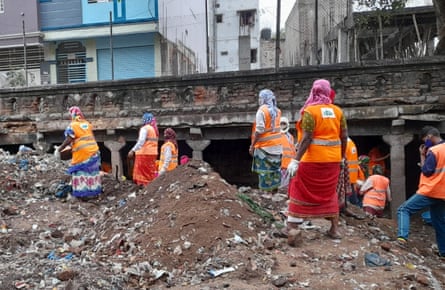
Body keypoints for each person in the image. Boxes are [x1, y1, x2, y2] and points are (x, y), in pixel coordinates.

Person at [286, 79, 348, 239]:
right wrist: (341, 157)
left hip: (311, 160)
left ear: (313, 92)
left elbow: (306, 138)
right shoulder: (338, 112)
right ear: (328, 92)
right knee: (329, 193)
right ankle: (334, 229)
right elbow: (344, 136)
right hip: (333, 161)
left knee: (298, 189)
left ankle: (292, 226)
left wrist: (296, 160)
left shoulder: (310, 112)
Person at [397, 126, 445, 259]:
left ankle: (402, 238)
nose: (425, 143)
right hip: (443, 193)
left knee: (403, 209)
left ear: (429, 137)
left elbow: (427, 171)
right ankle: (443, 252)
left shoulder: (434, 151)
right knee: (439, 222)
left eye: (425, 140)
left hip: (431, 190)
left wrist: (422, 156)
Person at [56, 106, 102, 199]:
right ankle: (94, 193)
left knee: (81, 172)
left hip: (82, 153)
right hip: (94, 150)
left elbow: (69, 138)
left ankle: (83, 194)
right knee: (92, 172)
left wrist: (60, 149)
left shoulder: (73, 125)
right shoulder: (87, 123)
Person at [249, 89, 283, 198]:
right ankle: (275, 192)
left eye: (260, 97)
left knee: (264, 171)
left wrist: (253, 145)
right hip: (277, 146)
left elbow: (259, 130)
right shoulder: (278, 111)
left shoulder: (262, 111)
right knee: (275, 170)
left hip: (264, 147)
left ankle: (266, 194)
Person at [127, 112, 159, 186]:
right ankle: (150, 187)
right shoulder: (154, 129)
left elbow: (141, 141)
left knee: (142, 173)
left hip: (144, 154)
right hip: (152, 153)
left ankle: (143, 187)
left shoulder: (145, 128)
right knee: (149, 172)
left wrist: (132, 150)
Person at [279, 116, 297, 190]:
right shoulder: (277, 135)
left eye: (284, 124)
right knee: (282, 181)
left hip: (290, 163)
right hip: (282, 163)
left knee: (289, 181)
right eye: (281, 124)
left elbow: (292, 149)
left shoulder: (290, 137)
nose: (282, 125)